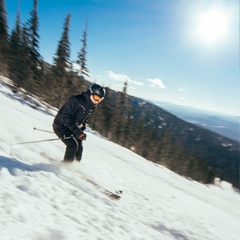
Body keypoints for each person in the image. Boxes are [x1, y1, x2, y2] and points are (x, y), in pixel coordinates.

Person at [53, 84, 106, 162]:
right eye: (96, 98)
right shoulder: (75, 100)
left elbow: (84, 120)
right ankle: (66, 167)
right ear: (90, 93)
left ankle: (75, 167)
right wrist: (78, 132)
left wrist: (81, 131)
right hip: (61, 126)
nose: (97, 101)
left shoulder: (92, 107)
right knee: (72, 145)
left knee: (79, 148)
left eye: (100, 99)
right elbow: (66, 118)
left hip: (73, 128)